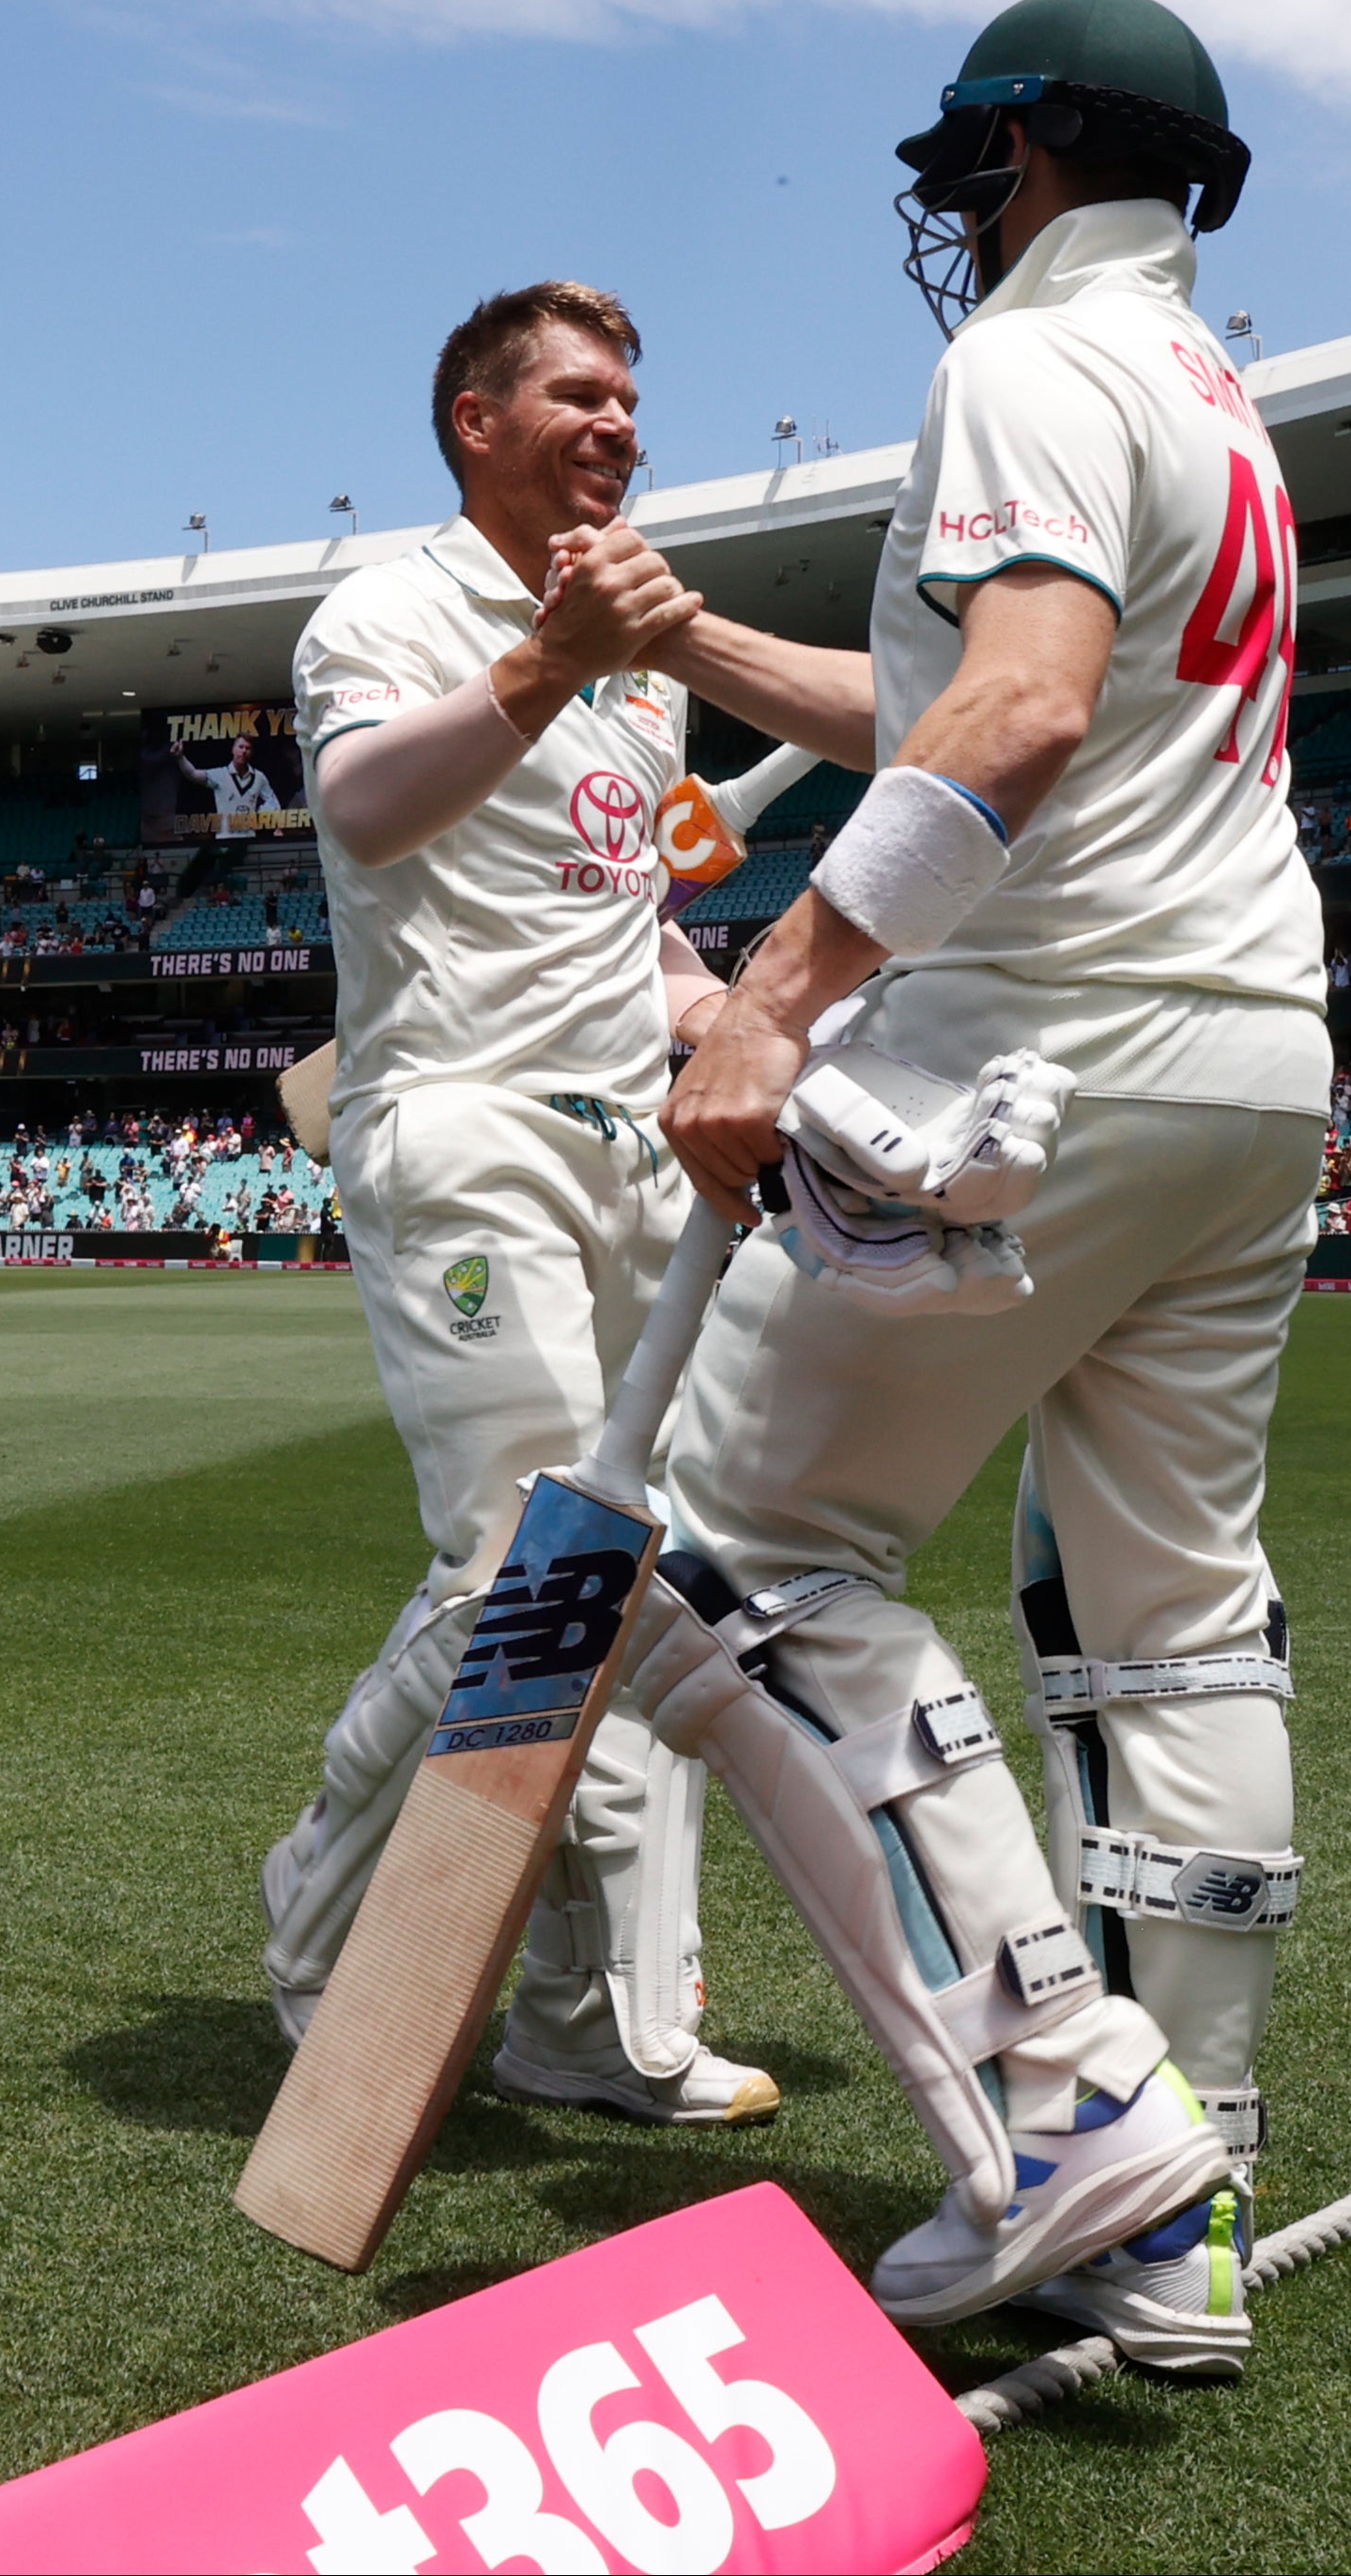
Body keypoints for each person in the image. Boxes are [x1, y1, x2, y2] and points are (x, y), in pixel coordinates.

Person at [623, 0, 1312, 2373]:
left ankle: (1058, 2116)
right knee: (1172, 1621)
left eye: (966, 160)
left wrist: (772, 989)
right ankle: (1192, 2189)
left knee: (731, 1563)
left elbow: (1010, 716)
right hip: (1249, 1064)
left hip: (1047, 1056)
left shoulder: (1022, 363)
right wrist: (704, 640)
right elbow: (968, 692)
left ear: (1016, 149)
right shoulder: (1214, 397)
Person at [253, 281, 777, 2126]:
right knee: (524, 1576)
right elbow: (373, 811)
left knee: (639, 1582)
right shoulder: (386, 612)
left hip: (637, 1148)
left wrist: (724, 1014)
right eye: (580, 392)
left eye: (633, 395)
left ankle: (595, 2015)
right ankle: (323, 1928)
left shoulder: (643, 664)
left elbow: (627, 922)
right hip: (459, 1122)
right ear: (476, 419)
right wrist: (544, 662)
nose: (621, 422)